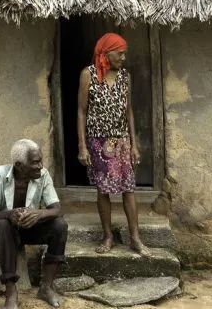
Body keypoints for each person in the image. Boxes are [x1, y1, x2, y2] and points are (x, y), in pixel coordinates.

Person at [77, 32, 151, 256]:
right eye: (120, 53)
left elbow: (129, 111)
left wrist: (134, 143)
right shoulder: (87, 75)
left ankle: (135, 239)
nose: (123, 57)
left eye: (124, 53)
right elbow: (81, 112)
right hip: (98, 142)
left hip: (121, 141)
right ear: (106, 52)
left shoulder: (125, 77)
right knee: (103, 190)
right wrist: (82, 145)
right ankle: (107, 236)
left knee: (128, 189)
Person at [0, 139, 68, 309]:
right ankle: (11, 291)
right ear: (20, 166)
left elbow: (56, 209)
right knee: (1, 225)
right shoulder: (0, 174)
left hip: (28, 229)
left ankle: (46, 287)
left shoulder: (43, 175)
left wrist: (39, 214)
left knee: (60, 226)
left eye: (41, 161)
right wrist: (9, 214)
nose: (40, 166)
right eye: (35, 162)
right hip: (3, 233)